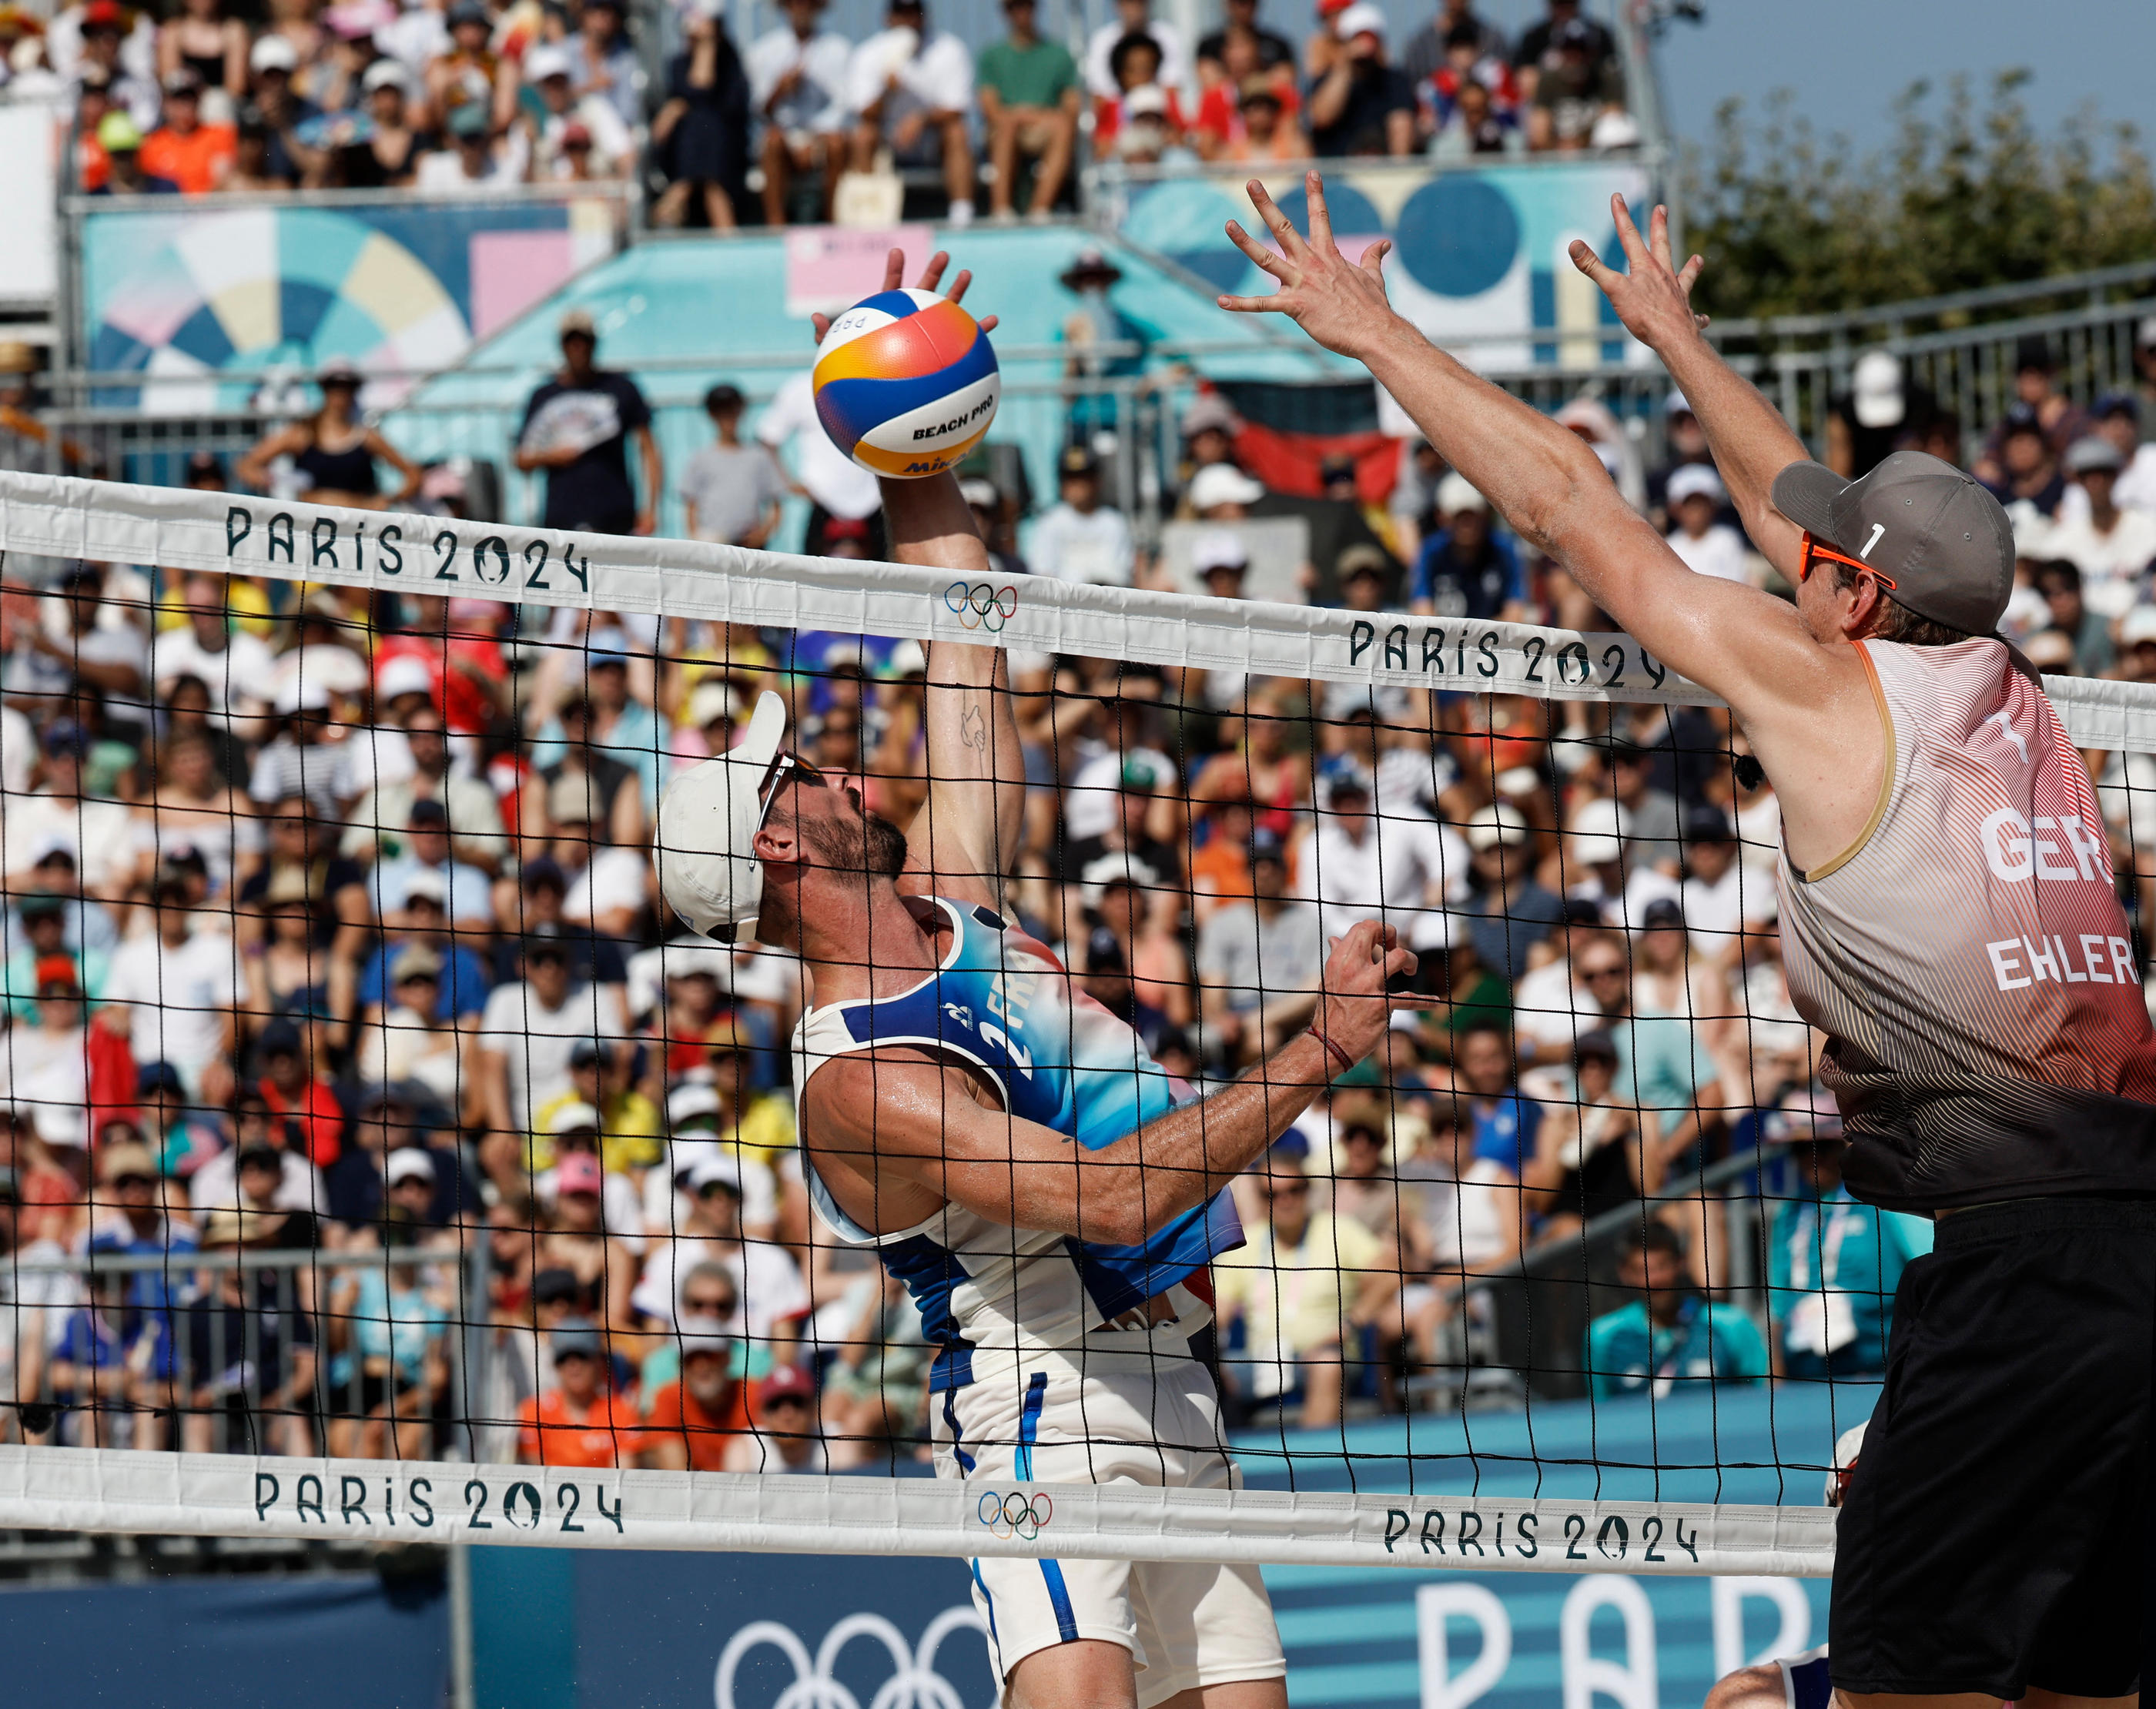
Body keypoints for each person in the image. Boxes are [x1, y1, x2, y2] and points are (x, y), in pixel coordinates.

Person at [1222, 171, 2156, 1704]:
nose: (1800, 557)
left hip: (2023, 1274)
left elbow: (1571, 505)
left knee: (1893, 1696)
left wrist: (1369, 331)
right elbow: (1808, 511)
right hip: (2124, 1244)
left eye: (1824, 561)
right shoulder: (2013, 694)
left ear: (1850, 596)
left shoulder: (1824, 694)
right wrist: (1672, 337)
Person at [652, 246, 1412, 1709]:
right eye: (789, 775)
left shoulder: (958, 898)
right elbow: (1119, 1193)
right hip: (1038, 1408)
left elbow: (967, 632)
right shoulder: (862, 1080)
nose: (816, 759)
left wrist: (897, 423)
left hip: (1175, 1377)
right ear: (780, 860)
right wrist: (1322, 1051)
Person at [1214, 1147, 1395, 1427]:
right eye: (1272, 1194)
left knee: (1327, 1365)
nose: (1284, 1201)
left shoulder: (1337, 1230)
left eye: (1294, 1191)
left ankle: (1312, 1463)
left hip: (1324, 1354)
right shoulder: (1246, 1243)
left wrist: (1352, 1322)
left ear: (1307, 1191)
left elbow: (1389, 1275)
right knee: (1205, 1370)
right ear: (1261, 1200)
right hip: (1260, 1361)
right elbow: (1219, 1312)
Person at [1768, 1123, 1931, 1382]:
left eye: (1822, 1148)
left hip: (1879, 1367)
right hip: (1806, 1374)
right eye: (1801, 1149)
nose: (1813, 1158)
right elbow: (1778, 1301)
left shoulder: (1883, 1200)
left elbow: (1930, 1268)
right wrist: (1776, 1377)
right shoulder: (1788, 1213)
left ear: (1843, 1148)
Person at [514, 309, 661, 537]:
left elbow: (649, 449)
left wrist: (651, 508)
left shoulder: (621, 388)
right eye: (571, 341)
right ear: (562, 345)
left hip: (617, 518)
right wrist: (552, 456)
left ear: (594, 343)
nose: (578, 347)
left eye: (585, 340)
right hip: (561, 520)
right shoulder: (543, 396)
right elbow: (521, 458)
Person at [1583, 1222, 1767, 1398]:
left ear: (1681, 1264)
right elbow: (1601, 1413)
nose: (1654, 1280)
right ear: (1624, 1274)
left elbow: (1767, 1394)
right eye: (1642, 1270)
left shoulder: (1730, 1325)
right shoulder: (1603, 1337)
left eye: (1662, 1267)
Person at [845, 0, 976, 226]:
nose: (907, 20)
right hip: (886, 140)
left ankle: (962, 215)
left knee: (958, 133)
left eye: (913, 13)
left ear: (924, 16)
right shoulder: (869, 53)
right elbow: (864, 113)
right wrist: (888, 91)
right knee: (863, 136)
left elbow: (957, 108)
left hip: (931, 139)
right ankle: (866, 219)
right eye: (900, 13)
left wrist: (921, 120)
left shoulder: (949, 50)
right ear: (888, 17)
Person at [237, 359, 420, 510]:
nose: (340, 394)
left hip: (357, 526)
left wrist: (388, 500)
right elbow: (247, 465)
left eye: (347, 387)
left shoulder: (366, 437)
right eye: (334, 386)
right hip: (312, 529)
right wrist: (269, 480)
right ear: (324, 389)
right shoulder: (302, 434)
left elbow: (413, 474)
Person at [975, 0, 1080, 219]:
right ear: (1005, 11)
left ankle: (1040, 211)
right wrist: (1019, 117)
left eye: (1026, 5)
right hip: (1006, 129)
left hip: (1044, 130)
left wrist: (1025, 115)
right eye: (1014, 6)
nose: (1021, 11)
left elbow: (1071, 107)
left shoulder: (1059, 54)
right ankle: (1001, 210)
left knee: (1063, 126)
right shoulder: (991, 56)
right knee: (1006, 124)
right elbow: (990, 109)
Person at [650, 1, 750, 228]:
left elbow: (702, 87)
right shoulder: (678, 64)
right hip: (686, 153)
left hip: (724, 154)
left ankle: (678, 192)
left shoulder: (730, 63)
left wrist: (707, 45)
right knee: (700, 127)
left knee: (705, 124)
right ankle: (723, 227)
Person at [747, 0, 848, 225]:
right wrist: (779, 90)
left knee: (837, 144)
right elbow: (760, 111)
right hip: (784, 137)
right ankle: (776, 227)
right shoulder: (764, 50)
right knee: (771, 142)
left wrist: (815, 138)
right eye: (795, 3)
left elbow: (841, 106)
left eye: (808, 3)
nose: (801, 8)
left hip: (822, 137)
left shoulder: (837, 49)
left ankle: (834, 223)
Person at [680, 383, 785, 547]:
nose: (728, 417)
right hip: (712, 545)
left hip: (750, 546)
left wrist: (764, 534)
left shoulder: (758, 456)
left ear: (742, 411)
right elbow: (690, 506)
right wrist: (696, 539)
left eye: (732, 410)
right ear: (712, 415)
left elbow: (776, 504)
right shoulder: (700, 459)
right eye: (721, 412)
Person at [1305, 3, 1412, 158]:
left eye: (1369, 38)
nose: (1364, 46)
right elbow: (1322, 117)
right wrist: (1347, 64)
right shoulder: (1325, 79)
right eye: (1356, 38)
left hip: (1383, 171)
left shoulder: (1395, 81)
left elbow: (1401, 127)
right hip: (1337, 172)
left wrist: (1397, 173)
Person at [1026, 444, 1135, 585]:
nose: (1076, 486)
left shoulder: (1114, 522)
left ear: (1096, 481)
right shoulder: (1050, 522)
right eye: (1070, 479)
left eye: (1083, 478)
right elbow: (1041, 573)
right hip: (1061, 602)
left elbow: (1120, 574)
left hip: (1104, 599)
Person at [140, 68, 235, 192]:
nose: (185, 106)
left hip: (210, 207)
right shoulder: (152, 145)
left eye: (189, 99)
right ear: (166, 104)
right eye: (178, 99)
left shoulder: (220, 135)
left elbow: (223, 180)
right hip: (168, 209)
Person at [1661, 463, 1751, 584]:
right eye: (1689, 505)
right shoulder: (1670, 547)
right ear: (1675, 510)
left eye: (1702, 505)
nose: (1696, 512)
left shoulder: (1727, 540)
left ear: (1713, 507)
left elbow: (1739, 582)